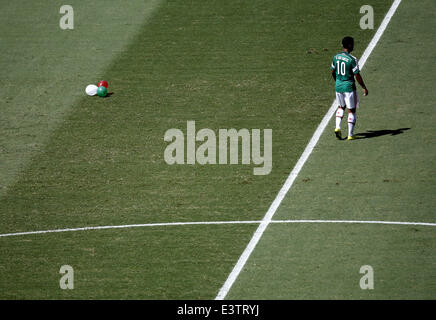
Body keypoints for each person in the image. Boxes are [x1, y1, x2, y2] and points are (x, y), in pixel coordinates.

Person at [331, 36, 368, 140]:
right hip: (349, 87)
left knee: (340, 107)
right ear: (350, 45)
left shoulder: (336, 57)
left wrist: (337, 81)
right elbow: (357, 75)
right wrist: (364, 87)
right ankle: (350, 135)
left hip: (338, 86)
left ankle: (337, 127)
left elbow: (332, 71)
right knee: (351, 110)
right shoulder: (352, 59)